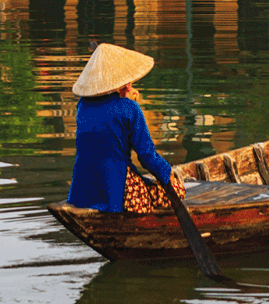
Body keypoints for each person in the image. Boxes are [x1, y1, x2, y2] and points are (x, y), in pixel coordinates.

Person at [67, 42, 185, 213]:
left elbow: (108, 131)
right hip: (116, 192)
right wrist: (168, 173)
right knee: (178, 189)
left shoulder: (82, 106)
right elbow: (146, 156)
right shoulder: (129, 108)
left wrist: (129, 104)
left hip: (82, 192)